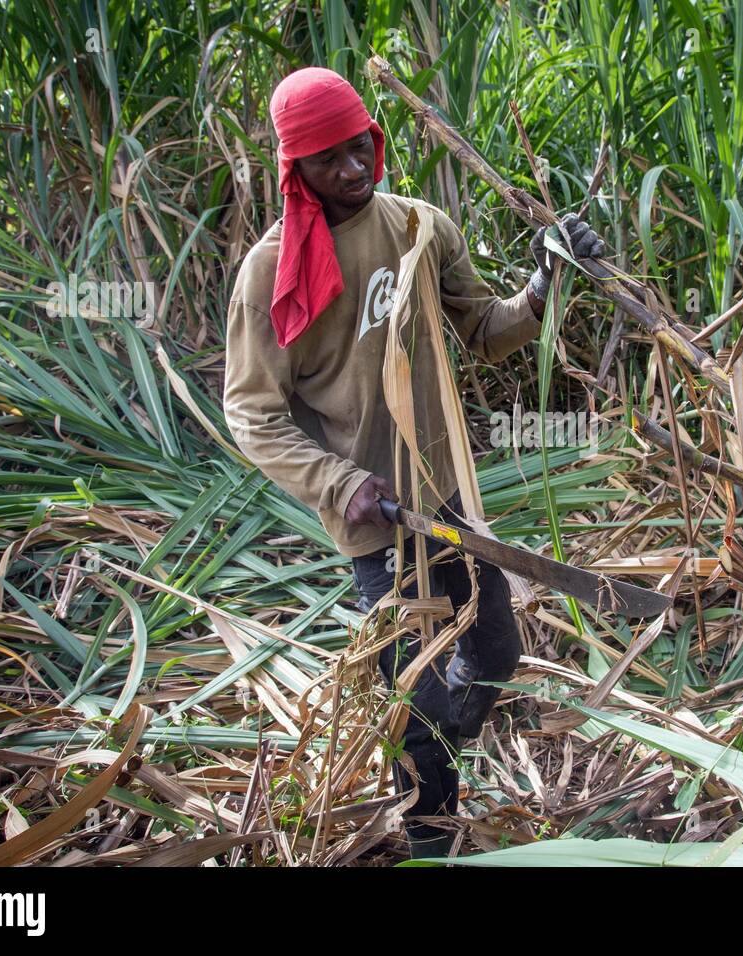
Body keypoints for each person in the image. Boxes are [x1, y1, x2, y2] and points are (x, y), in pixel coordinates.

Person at [222, 66, 605, 860]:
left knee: (494, 654)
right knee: (417, 705)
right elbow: (250, 411)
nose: (354, 168)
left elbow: (486, 330)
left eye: (360, 146)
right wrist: (338, 483)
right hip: (377, 523)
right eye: (330, 159)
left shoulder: (420, 228)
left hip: (450, 500)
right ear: (298, 170)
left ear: (376, 137)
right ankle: (432, 831)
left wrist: (544, 282)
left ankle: (434, 763)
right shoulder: (269, 272)